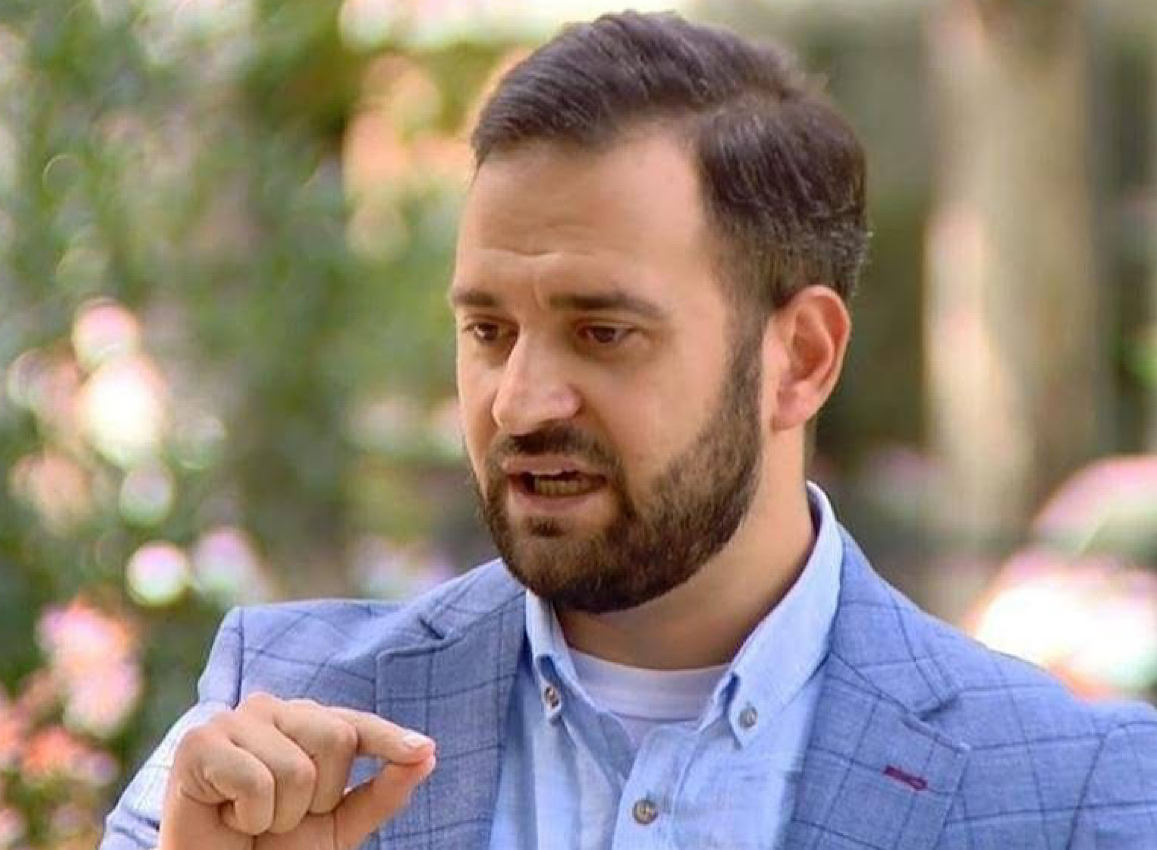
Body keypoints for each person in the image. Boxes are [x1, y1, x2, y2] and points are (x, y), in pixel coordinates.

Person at [101, 11, 1157, 850]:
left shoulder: (1069, 788)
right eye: (489, 330)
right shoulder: (273, 727)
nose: (520, 402)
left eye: (603, 332)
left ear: (799, 359)